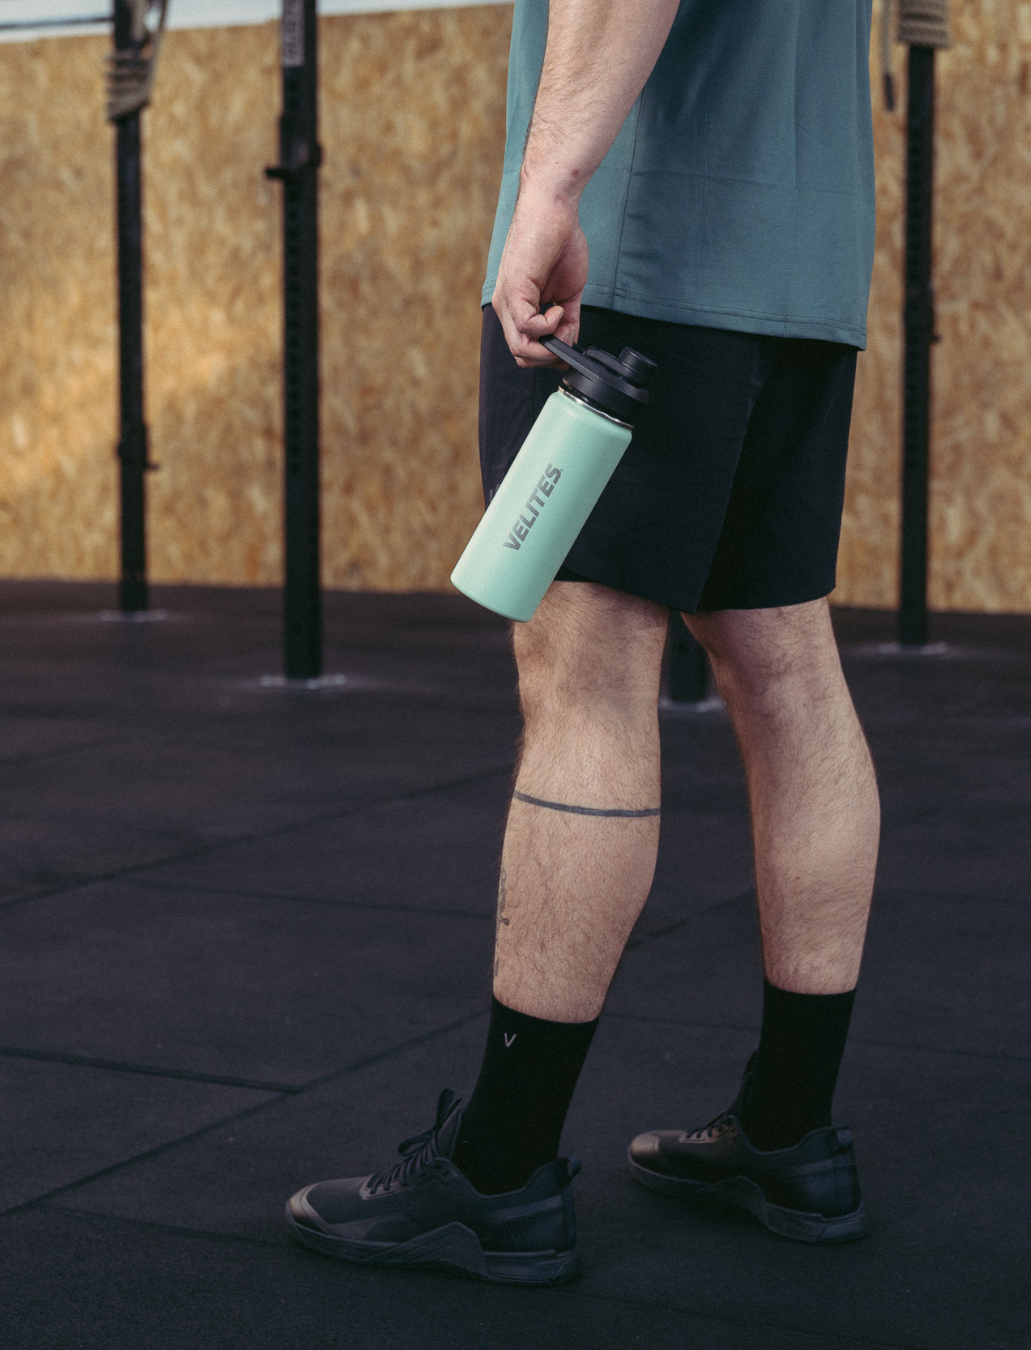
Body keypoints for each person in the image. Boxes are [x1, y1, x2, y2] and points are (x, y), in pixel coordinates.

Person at [286, 0, 879, 1284]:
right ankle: (791, 1133)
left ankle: (498, 1171)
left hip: (640, 251)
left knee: (585, 663)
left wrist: (550, 185)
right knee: (786, 662)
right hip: (810, 262)